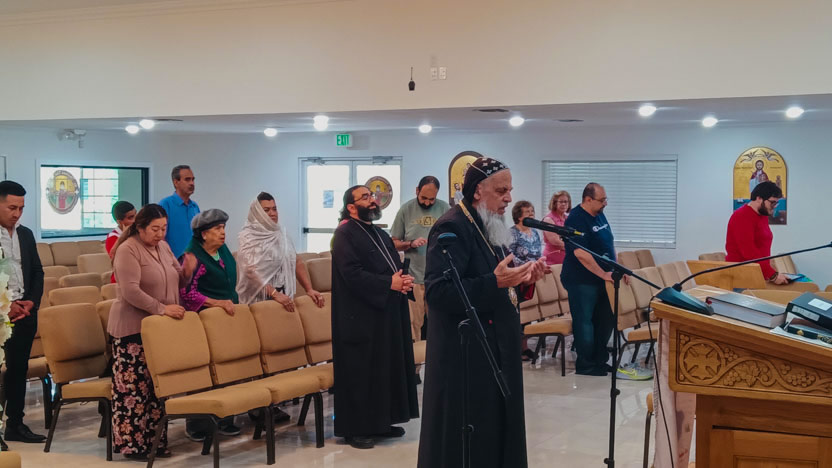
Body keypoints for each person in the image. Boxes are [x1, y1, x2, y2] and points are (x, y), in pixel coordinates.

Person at [418, 157, 546, 468]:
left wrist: (524, 279)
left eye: (510, 190)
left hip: (497, 347)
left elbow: (501, 284)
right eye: (501, 191)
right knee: (474, 436)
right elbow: (438, 292)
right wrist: (496, 282)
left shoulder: (491, 225)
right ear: (477, 191)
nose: (509, 198)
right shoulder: (451, 227)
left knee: (498, 429)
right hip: (466, 356)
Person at [331, 185, 419, 450]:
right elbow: (351, 273)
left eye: (372, 196)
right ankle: (355, 429)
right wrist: (388, 283)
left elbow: (393, 266)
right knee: (361, 372)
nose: (372, 200)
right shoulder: (344, 233)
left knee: (384, 369)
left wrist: (402, 281)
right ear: (351, 207)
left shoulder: (379, 233)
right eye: (365, 197)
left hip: (384, 312)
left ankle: (381, 422)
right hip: (359, 315)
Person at [108, 204, 194, 460]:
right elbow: (130, 291)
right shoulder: (127, 249)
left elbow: (177, 279)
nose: (160, 234)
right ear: (140, 227)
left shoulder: (163, 247)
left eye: (164, 229)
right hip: (132, 330)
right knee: (134, 391)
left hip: (159, 329)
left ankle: (155, 441)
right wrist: (162, 308)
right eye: (155, 229)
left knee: (157, 388)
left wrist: (187, 272)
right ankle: (133, 446)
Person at [179, 208, 240, 440]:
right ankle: (197, 424)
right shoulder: (191, 256)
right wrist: (216, 303)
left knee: (227, 368)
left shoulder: (222, 250)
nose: (223, 232)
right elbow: (187, 293)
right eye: (217, 228)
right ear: (204, 234)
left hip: (226, 320)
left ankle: (225, 418)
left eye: (223, 227)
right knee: (204, 373)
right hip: (203, 322)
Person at [561, 182, 626, 376]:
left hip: (604, 278)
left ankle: (600, 360)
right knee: (585, 322)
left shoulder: (599, 214)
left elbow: (608, 243)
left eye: (606, 199)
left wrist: (616, 269)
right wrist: (603, 274)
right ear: (588, 199)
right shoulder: (576, 219)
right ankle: (586, 365)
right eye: (602, 200)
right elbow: (581, 254)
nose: (605, 203)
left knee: (605, 320)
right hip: (581, 280)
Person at [0, 181, 45, 447]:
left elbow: (37, 271)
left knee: (18, 370)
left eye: (21, 208)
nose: (17, 213)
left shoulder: (25, 234)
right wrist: (6, 305)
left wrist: (31, 302)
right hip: (2, 314)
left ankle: (15, 424)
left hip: (24, 313)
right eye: (11, 207)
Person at [390, 176, 450, 350]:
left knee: (441, 322)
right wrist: (410, 243)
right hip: (414, 277)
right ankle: (414, 364)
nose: (427, 202)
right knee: (414, 324)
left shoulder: (445, 209)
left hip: (438, 277)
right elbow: (393, 243)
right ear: (417, 190)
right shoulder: (406, 210)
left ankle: (440, 359)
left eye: (432, 199)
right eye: (423, 198)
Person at [236, 192, 325, 308]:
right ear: (257, 213)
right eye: (266, 210)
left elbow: (296, 261)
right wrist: (275, 294)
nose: (272, 213)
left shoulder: (281, 234)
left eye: (274, 209)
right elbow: (250, 271)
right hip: (258, 300)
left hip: (283, 295)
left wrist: (309, 289)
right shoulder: (248, 236)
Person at [725, 181, 787, 284]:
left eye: (776, 203)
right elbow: (749, 252)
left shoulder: (762, 216)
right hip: (741, 277)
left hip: (757, 274)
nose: (775, 206)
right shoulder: (742, 216)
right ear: (759, 198)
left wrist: (769, 272)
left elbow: (761, 248)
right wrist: (772, 275)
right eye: (772, 202)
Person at [159, 165, 199, 259]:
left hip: (194, 262)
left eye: (193, 179)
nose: (192, 183)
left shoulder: (195, 206)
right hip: (173, 262)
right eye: (187, 179)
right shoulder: (165, 204)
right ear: (176, 182)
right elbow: (160, 238)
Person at [106, 201, 136, 283]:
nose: (135, 220)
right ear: (119, 222)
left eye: (136, 215)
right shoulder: (113, 237)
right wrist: (124, 236)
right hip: (121, 281)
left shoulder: (138, 233)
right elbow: (121, 260)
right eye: (131, 217)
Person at [508, 200, 542, 266]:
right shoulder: (512, 233)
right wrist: (528, 266)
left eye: (532, 211)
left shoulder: (534, 232)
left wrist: (540, 264)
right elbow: (510, 256)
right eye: (527, 211)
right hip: (520, 269)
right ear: (519, 217)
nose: (531, 214)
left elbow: (539, 254)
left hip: (535, 268)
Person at [542, 190, 571, 265]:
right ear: (555, 203)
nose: (563, 204)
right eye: (561, 202)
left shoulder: (568, 218)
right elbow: (555, 241)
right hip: (552, 261)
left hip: (567, 260)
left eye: (566, 202)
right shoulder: (548, 219)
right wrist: (573, 246)